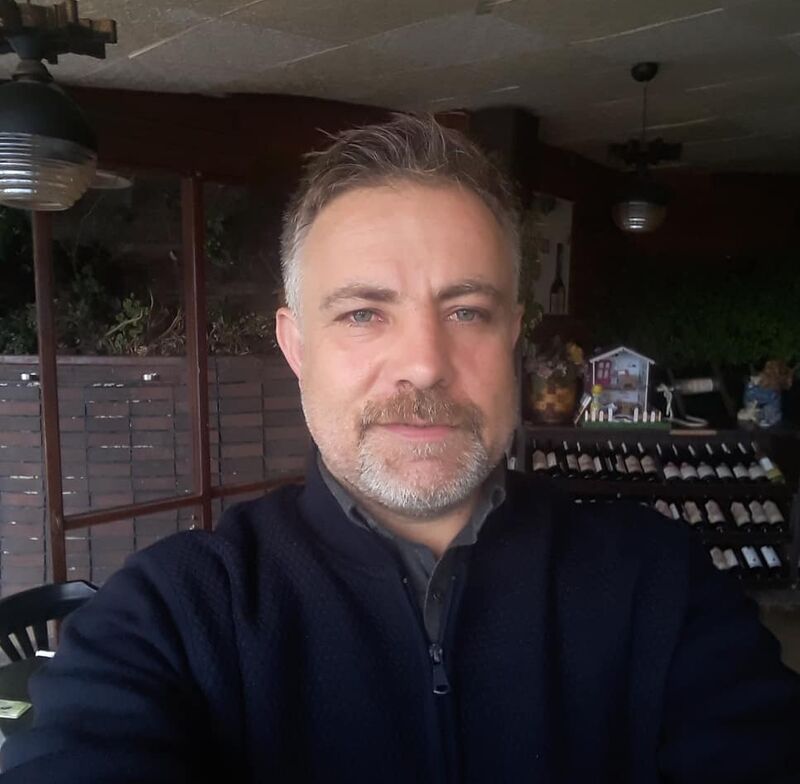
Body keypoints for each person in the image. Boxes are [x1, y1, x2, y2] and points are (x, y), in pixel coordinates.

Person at [3, 115, 799, 783]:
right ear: (296, 345)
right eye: (362, 313)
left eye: (467, 311)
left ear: (513, 336)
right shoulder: (172, 617)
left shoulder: (661, 586)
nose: (424, 362)